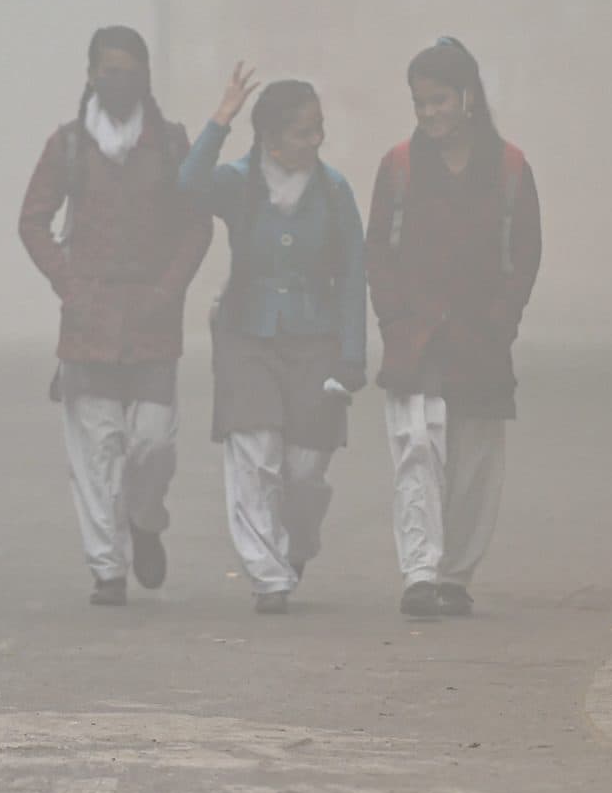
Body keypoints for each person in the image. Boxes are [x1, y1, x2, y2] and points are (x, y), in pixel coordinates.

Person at [18, 26, 215, 606]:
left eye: (131, 70)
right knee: (97, 450)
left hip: (153, 323)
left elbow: (197, 225)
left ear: (146, 76)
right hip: (88, 325)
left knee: (153, 445)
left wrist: (169, 289)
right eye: (110, 70)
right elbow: (32, 220)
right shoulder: (69, 146)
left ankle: (145, 519)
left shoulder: (170, 144)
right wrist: (69, 284)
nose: (120, 80)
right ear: (91, 75)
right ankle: (107, 567)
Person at [178, 65, 367, 614]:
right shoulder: (238, 182)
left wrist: (352, 355)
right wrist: (221, 119)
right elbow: (187, 186)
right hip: (246, 335)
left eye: (318, 128)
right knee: (255, 453)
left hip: (316, 340)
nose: (316, 140)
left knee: (305, 469)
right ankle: (268, 576)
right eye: (303, 131)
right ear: (271, 137)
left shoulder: (334, 191)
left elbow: (353, 276)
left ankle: (297, 543)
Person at [368, 38, 542, 619]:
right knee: (416, 447)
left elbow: (525, 254)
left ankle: (454, 575)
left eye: (439, 100)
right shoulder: (398, 167)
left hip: (481, 341)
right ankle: (420, 570)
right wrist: (393, 318)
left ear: (468, 97)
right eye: (420, 103)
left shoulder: (511, 169)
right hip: (414, 338)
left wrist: (502, 321)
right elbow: (377, 252)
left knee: (473, 466)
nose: (429, 113)